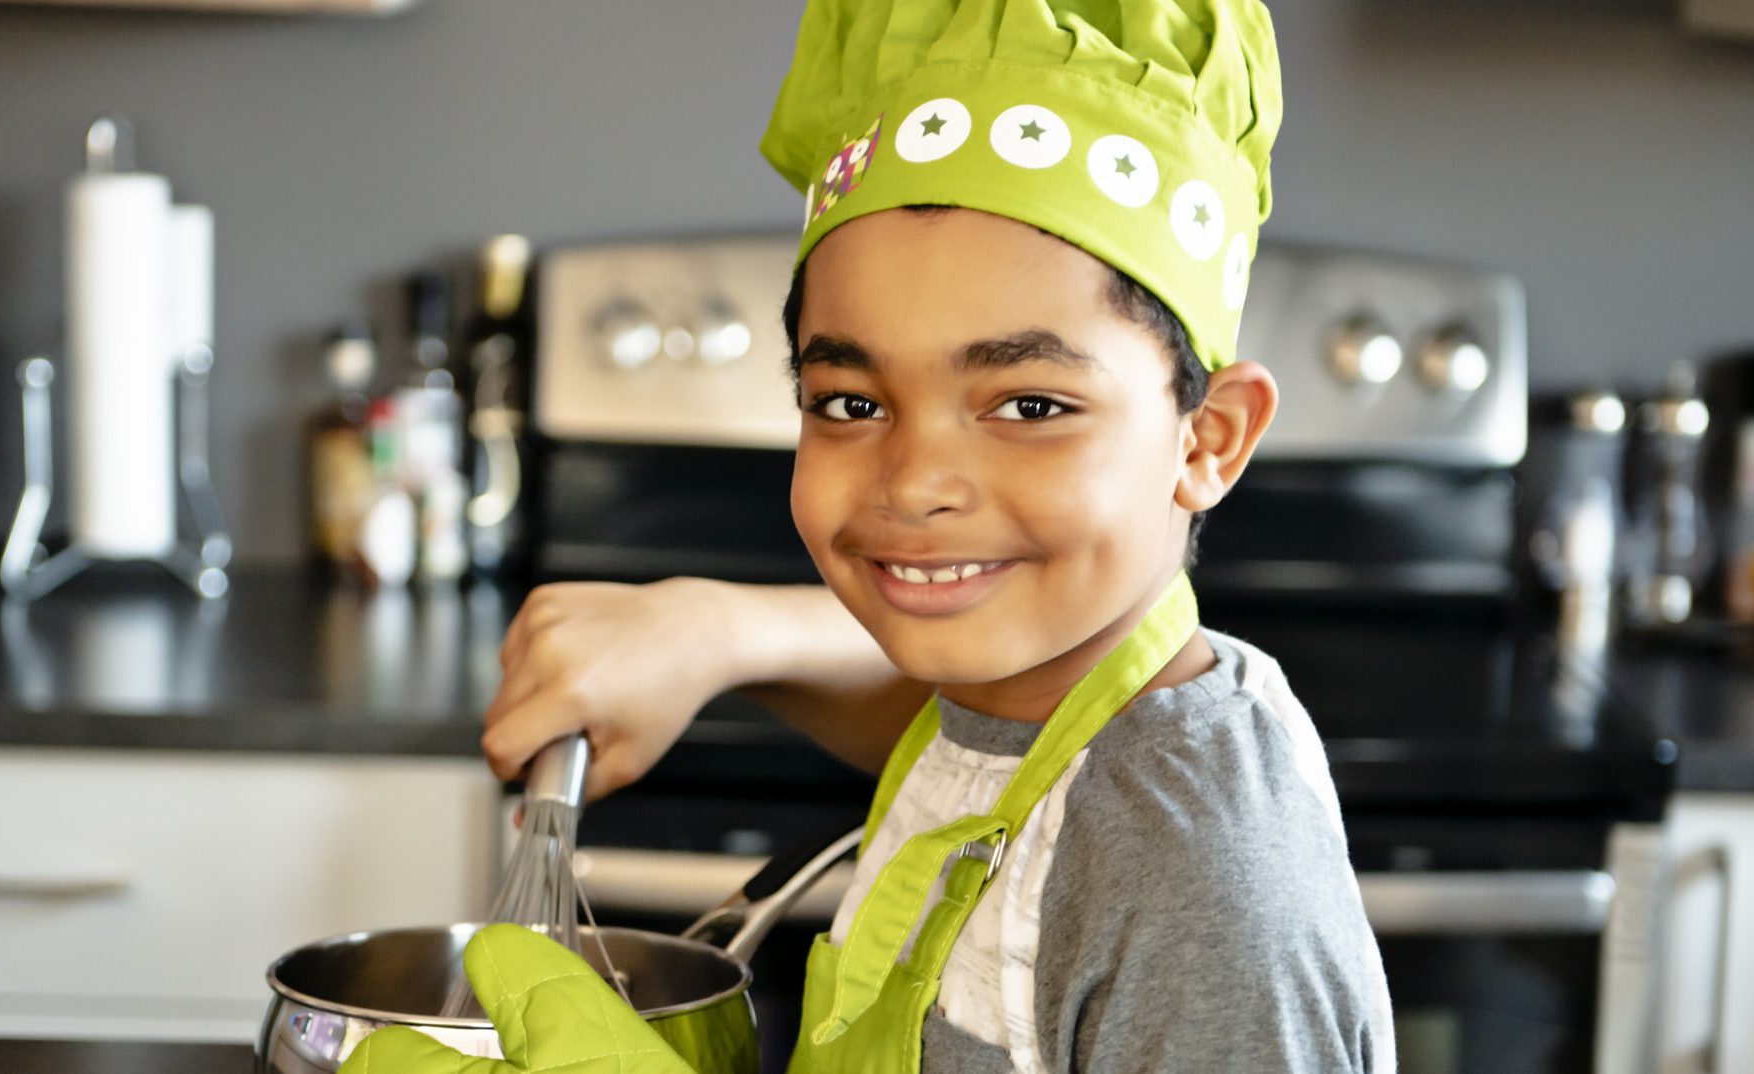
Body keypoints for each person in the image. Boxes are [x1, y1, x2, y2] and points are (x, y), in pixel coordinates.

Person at [343, 1, 1395, 1071]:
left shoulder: (1200, 890)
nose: (917, 484)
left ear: (1206, 439)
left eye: (1028, 406)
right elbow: (975, 738)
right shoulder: (1044, 711)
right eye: (849, 402)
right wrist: (721, 631)